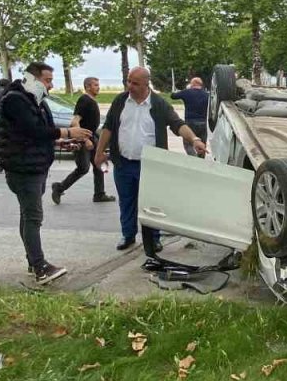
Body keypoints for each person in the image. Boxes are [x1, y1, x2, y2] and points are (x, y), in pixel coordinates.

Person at [94, 67, 207, 255]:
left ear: (147, 84)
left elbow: (177, 124)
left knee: (152, 203)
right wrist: (99, 152)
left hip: (150, 165)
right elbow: (108, 128)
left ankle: (154, 239)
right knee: (126, 201)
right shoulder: (121, 101)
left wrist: (194, 139)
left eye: (135, 83)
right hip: (123, 163)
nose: (130, 86)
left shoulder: (158, 104)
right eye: (128, 81)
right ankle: (128, 235)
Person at [0, 62, 89, 284]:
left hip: (34, 166)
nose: (51, 85)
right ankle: (40, 267)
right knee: (33, 216)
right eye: (47, 80)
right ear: (33, 79)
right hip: (23, 168)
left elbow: (38, 134)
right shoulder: (15, 100)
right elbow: (32, 130)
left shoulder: (35, 101)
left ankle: (33, 261)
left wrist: (62, 141)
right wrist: (67, 131)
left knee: (28, 215)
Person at [52, 76, 115, 205]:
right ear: (87, 87)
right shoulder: (84, 100)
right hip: (83, 140)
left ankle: (99, 194)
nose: (98, 87)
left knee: (99, 165)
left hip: (93, 137)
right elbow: (74, 122)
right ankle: (59, 187)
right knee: (83, 168)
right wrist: (85, 140)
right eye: (95, 85)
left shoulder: (91, 100)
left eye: (98, 84)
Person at [171, 77, 209, 157]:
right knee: (202, 145)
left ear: (193, 83)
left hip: (190, 122)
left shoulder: (187, 92)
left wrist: (182, 90)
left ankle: (193, 158)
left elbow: (173, 96)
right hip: (203, 122)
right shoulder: (207, 95)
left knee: (188, 144)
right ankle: (201, 162)